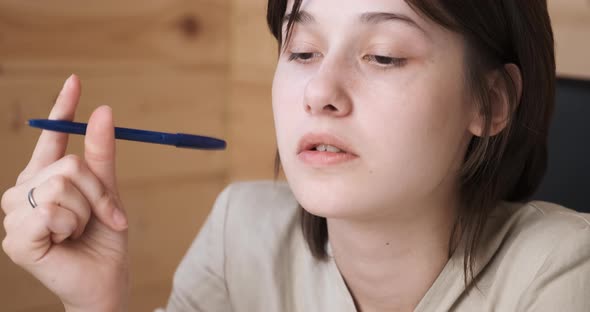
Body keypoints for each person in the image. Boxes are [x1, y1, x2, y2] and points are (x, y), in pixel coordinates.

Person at [2, 0, 589, 311]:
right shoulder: (242, 234)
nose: (319, 93)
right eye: (303, 50)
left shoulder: (564, 271)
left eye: (383, 56)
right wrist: (94, 303)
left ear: (489, 102)